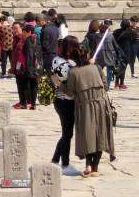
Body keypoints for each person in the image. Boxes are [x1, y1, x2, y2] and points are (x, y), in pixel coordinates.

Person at [61, 43, 116, 177]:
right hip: (101, 105)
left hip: (84, 106)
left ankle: (88, 165)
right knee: (100, 135)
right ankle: (95, 167)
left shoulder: (73, 72)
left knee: (87, 136)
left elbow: (70, 92)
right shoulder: (97, 68)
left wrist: (60, 84)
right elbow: (105, 86)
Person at [50, 36, 79, 176]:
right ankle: (65, 163)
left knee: (67, 132)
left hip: (69, 100)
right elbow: (70, 75)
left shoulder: (67, 61)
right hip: (63, 101)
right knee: (67, 133)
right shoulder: (60, 62)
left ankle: (55, 159)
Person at [14, 22, 42, 110]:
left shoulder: (29, 39)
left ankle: (24, 103)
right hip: (36, 66)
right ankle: (33, 103)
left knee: (25, 85)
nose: (23, 34)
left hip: (28, 66)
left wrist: (27, 68)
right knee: (34, 85)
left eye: (24, 32)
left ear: (29, 32)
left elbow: (29, 54)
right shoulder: (37, 38)